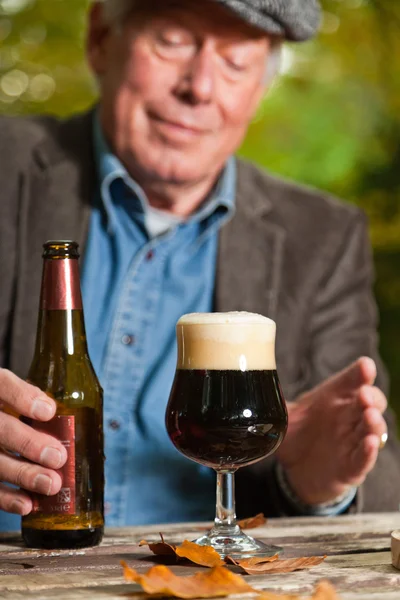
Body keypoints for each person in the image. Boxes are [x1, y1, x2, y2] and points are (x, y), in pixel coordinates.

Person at [0, 0, 398, 531]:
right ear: (100, 38)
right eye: (173, 40)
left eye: (236, 60)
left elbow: (382, 482)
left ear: (261, 87)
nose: (200, 87)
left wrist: (315, 484)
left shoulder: (321, 238)